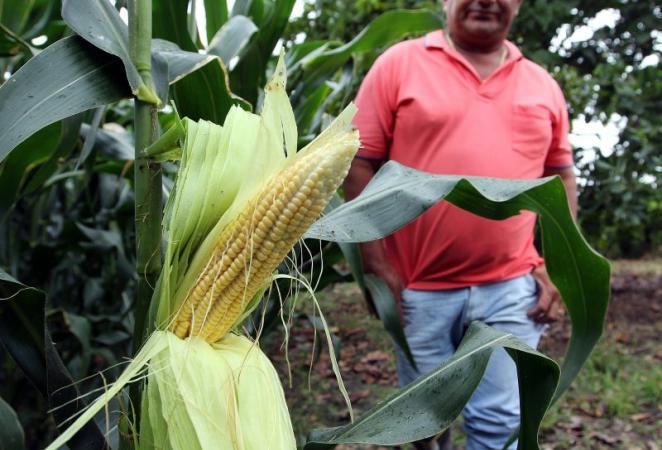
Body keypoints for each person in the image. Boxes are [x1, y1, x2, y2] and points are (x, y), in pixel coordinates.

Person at [343, 0, 578, 449]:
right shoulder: (399, 64)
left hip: (511, 289)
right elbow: (361, 162)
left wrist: (559, 266)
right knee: (425, 423)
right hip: (417, 289)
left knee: (500, 422)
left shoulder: (541, 83)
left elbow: (561, 176)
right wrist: (374, 262)